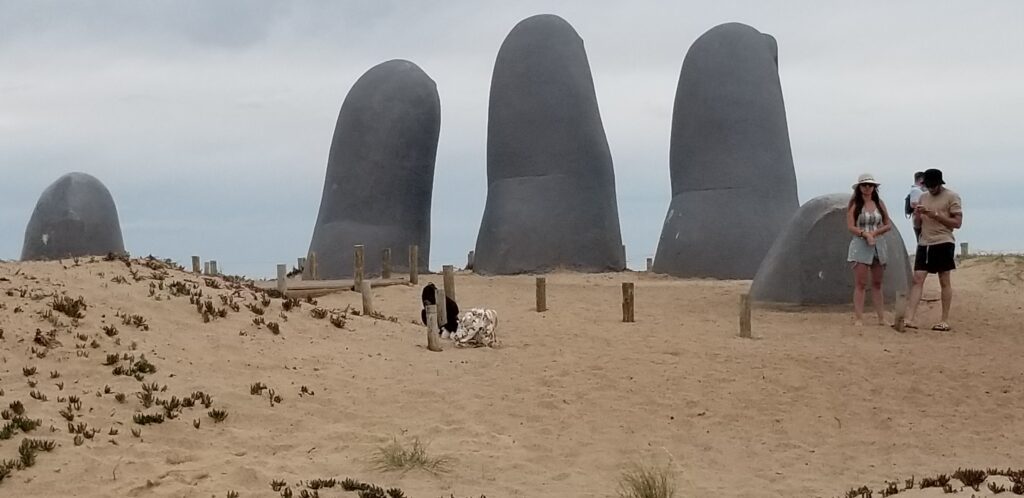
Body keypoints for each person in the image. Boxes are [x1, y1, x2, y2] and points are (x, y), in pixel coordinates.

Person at [900, 168, 963, 332]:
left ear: (940, 184)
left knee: (944, 280)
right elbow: (918, 225)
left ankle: (944, 320)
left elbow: (956, 223)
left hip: (943, 241)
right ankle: (909, 318)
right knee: (918, 279)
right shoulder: (922, 197)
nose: (931, 189)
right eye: (928, 186)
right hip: (925, 242)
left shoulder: (952, 197)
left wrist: (935, 214)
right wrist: (918, 216)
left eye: (934, 186)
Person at [846, 173, 893, 326]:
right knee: (860, 283)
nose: (867, 188)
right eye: (864, 185)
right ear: (859, 188)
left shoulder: (879, 204)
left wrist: (874, 233)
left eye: (870, 185)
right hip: (860, 244)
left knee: (877, 283)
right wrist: (864, 234)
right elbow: (851, 226)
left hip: (878, 244)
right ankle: (859, 317)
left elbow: (887, 224)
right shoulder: (855, 205)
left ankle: (881, 317)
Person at [906, 171, 926, 241]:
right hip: (919, 221)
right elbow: (914, 204)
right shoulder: (916, 191)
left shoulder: (918, 190)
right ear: (921, 180)